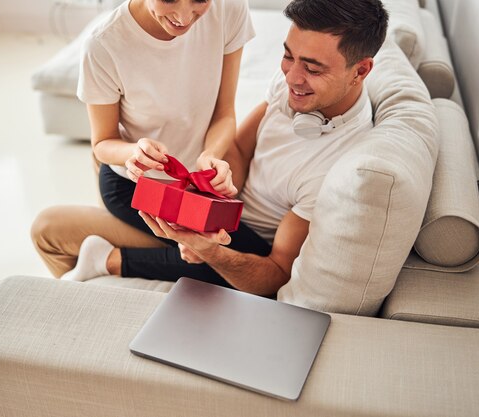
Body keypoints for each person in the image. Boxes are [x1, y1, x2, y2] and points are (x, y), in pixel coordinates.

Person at [32, 0, 389, 296]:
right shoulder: (294, 87)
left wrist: (208, 233)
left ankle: (109, 261)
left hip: (191, 193)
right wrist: (215, 177)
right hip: (145, 179)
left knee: (50, 229)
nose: (292, 77)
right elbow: (240, 149)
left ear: (360, 71)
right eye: (287, 57)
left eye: (311, 68)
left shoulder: (338, 167)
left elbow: (275, 271)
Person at [30, 0, 254, 275]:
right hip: (135, 187)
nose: (184, 17)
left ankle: (108, 258)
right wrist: (134, 152)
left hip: (195, 184)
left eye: (199, 0)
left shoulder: (228, 8)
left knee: (247, 262)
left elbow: (225, 114)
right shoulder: (104, 44)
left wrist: (210, 154)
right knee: (243, 263)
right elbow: (102, 144)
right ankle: (108, 260)